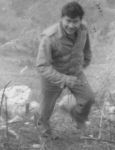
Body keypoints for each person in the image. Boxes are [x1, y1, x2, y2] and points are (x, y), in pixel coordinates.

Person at [36, 1, 95, 137]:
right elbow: (41, 66)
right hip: (52, 76)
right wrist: (64, 79)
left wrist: (83, 64)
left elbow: (86, 49)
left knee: (88, 98)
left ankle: (77, 117)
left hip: (75, 73)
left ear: (80, 20)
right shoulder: (49, 37)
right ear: (61, 19)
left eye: (75, 21)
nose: (71, 25)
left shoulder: (83, 29)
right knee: (45, 110)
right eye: (68, 21)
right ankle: (45, 134)